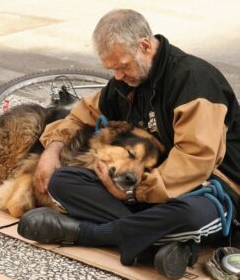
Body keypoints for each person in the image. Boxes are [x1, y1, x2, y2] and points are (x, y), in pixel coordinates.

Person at [17, 9, 240, 279]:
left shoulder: (193, 80)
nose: (118, 75)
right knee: (63, 180)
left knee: (190, 216)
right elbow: (81, 115)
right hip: (150, 189)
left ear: (145, 46)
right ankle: (159, 242)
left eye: (122, 66)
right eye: (112, 69)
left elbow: (196, 161)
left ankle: (88, 233)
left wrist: (134, 195)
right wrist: (52, 149)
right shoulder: (127, 82)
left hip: (212, 189)